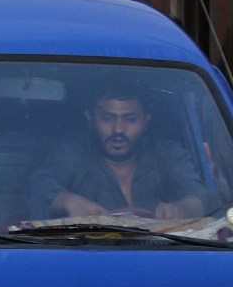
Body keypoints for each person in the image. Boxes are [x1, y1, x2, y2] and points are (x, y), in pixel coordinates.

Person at [30, 85, 209, 221]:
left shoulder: (167, 153)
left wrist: (183, 208)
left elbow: (198, 194)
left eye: (130, 119)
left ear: (146, 121)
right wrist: (65, 200)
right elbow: (39, 186)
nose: (118, 129)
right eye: (107, 118)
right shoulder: (72, 152)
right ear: (90, 118)